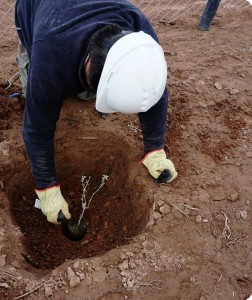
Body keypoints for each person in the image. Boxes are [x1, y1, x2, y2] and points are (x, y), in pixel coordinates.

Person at [15, 0, 178, 225]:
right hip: (36, 12)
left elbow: (155, 93)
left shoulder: (140, 38)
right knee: (37, 94)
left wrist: (155, 149)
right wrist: (47, 188)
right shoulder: (49, 57)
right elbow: (36, 129)